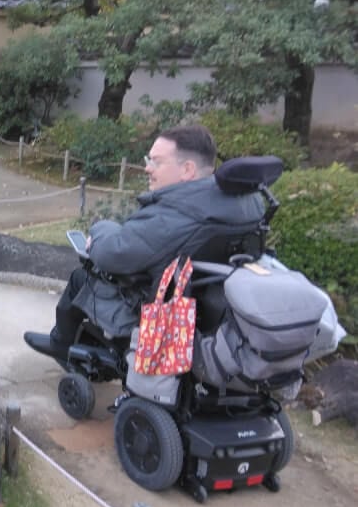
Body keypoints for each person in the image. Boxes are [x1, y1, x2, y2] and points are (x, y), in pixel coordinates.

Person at [24, 124, 266, 361]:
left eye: (156, 162)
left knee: (82, 276)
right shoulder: (245, 202)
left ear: (187, 170)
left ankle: (61, 343)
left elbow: (113, 253)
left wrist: (99, 228)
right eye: (148, 160)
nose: (147, 168)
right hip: (206, 304)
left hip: (155, 309)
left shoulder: (173, 216)